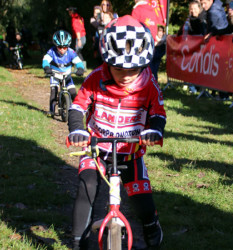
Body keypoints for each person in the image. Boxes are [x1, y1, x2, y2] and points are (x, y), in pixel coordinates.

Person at [67, 15, 166, 249]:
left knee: (142, 198)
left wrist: (154, 130)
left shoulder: (149, 84)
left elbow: (158, 113)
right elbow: (77, 106)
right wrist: (77, 129)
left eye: (134, 68)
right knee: (87, 187)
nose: (127, 74)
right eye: (120, 68)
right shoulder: (94, 79)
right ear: (107, 62)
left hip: (131, 152)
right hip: (96, 150)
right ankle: (78, 240)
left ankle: (151, 225)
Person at [42, 30, 85, 116]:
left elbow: (78, 61)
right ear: (56, 45)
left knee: (73, 93)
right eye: (59, 47)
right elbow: (45, 60)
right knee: (53, 92)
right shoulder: (52, 52)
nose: (62, 50)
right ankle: (52, 111)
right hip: (55, 74)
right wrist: (46, 67)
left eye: (64, 47)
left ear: (68, 46)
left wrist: (80, 68)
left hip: (67, 75)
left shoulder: (71, 52)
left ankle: (78, 111)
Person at [200, 0, 232, 100]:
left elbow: (222, 27)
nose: (203, 6)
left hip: (223, 46)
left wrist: (211, 33)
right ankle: (220, 92)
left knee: (222, 69)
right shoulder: (214, 9)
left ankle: (224, 94)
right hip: (219, 45)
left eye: (205, 3)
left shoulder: (214, 11)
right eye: (201, 3)